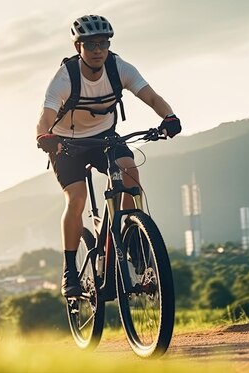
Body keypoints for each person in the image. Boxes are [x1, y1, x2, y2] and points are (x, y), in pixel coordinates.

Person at [36, 14, 181, 297]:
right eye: (90, 45)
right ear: (78, 47)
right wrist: (45, 137)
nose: (98, 50)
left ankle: (129, 235)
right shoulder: (66, 77)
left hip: (104, 138)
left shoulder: (119, 68)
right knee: (77, 198)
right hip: (67, 145)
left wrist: (169, 117)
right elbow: (46, 115)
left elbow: (151, 96)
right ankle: (69, 270)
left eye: (103, 43)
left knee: (131, 175)